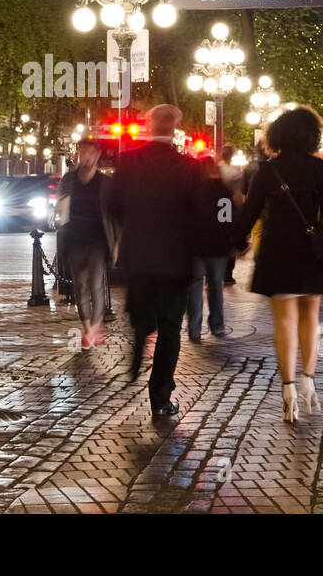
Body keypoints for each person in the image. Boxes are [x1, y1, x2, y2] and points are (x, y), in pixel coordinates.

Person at [234, 106, 323, 424]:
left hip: (276, 248)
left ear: (277, 136)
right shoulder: (319, 169)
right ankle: (308, 380)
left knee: (283, 321)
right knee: (310, 318)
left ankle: (287, 390)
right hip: (308, 248)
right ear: (310, 135)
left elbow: (249, 214)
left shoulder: (268, 170)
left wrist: (236, 241)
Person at [105, 104, 200, 420]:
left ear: (148, 125)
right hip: (175, 260)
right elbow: (199, 209)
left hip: (140, 256)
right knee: (171, 328)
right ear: (174, 128)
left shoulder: (129, 160)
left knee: (142, 313)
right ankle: (160, 397)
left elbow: (112, 203)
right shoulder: (187, 165)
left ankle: (137, 346)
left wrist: (130, 229)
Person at [58, 138, 118, 350]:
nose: (86, 158)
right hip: (74, 240)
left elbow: (114, 214)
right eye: (82, 153)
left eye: (90, 154)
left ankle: (95, 328)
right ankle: (87, 328)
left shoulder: (105, 183)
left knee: (95, 285)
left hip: (97, 242)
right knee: (79, 287)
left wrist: (116, 244)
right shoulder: (69, 180)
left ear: (97, 155)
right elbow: (61, 208)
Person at [188, 156, 235, 341]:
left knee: (195, 286)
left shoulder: (191, 190)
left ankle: (194, 329)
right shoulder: (223, 191)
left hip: (196, 247)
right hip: (217, 247)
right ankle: (217, 325)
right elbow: (229, 218)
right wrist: (232, 242)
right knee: (215, 286)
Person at [218, 145, 243, 286]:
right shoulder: (234, 174)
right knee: (228, 239)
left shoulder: (214, 170)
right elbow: (238, 196)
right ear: (231, 156)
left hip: (213, 208)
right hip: (227, 207)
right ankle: (227, 274)